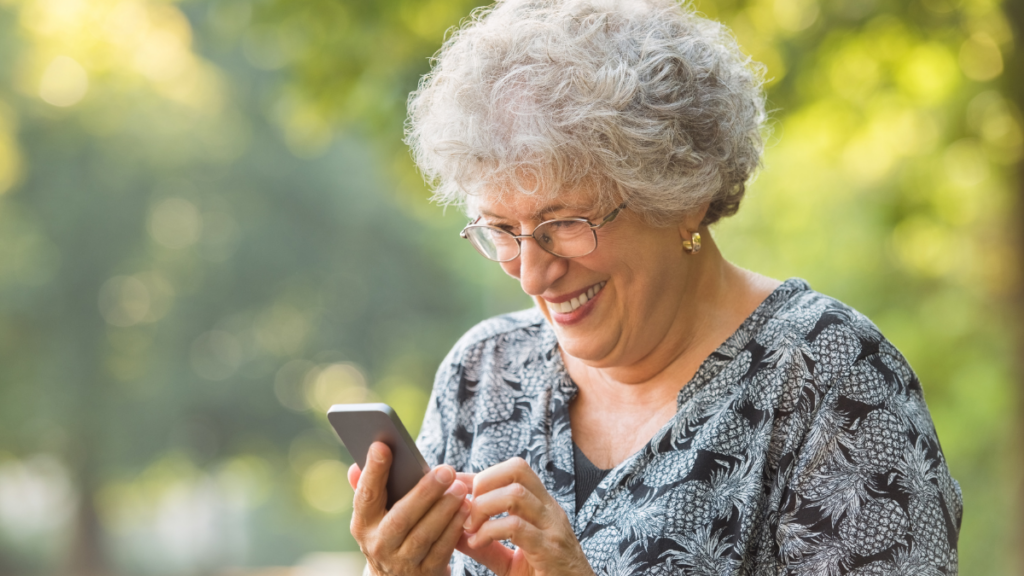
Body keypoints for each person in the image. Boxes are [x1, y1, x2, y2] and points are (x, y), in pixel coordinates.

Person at [346, 0, 963, 574]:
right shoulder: (484, 374)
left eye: (565, 224)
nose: (531, 273)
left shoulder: (829, 376)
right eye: (503, 230)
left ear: (684, 197)